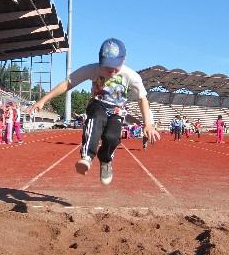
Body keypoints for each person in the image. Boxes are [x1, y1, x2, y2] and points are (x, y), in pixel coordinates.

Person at [31, 38, 160, 185]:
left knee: (112, 137)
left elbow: (142, 99)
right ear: (100, 61)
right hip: (98, 104)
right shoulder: (93, 69)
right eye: (107, 67)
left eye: (115, 67)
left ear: (123, 60)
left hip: (117, 111)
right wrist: (43, 100)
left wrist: (148, 124)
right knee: (96, 119)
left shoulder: (131, 76)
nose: (111, 71)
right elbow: (68, 83)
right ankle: (86, 157)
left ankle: (105, 161)